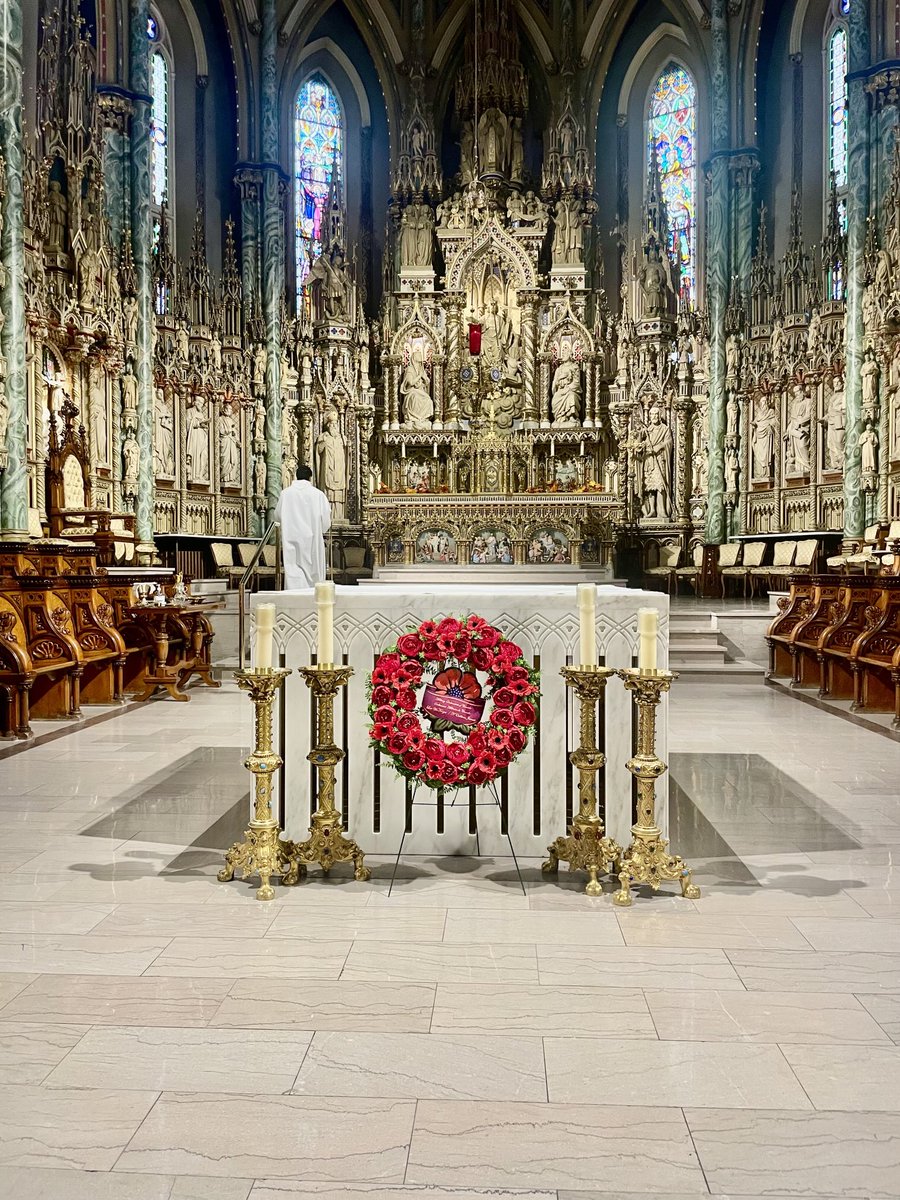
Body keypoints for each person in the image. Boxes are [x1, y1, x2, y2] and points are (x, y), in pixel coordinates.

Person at [275, 464, 332, 590]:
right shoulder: (318, 495)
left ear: (296, 476)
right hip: (312, 540)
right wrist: (319, 530)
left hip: (291, 538)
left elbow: (277, 516)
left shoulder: (285, 494)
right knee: (314, 572)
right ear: (310, 478)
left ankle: (293, 599)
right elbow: (326, 522)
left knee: (293, 569)